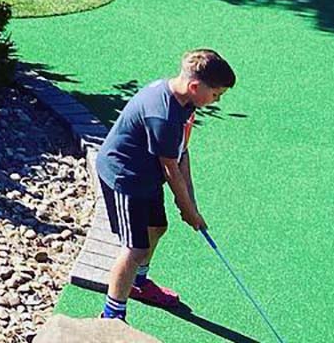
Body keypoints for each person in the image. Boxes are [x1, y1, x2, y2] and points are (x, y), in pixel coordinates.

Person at [94, 49, 236, 323]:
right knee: (134, 249)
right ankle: (112, 316)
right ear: (195, 86)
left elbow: (182, 153)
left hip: (146, 173)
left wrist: (190, 206)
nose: (217, 100)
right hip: (126, 177)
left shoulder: (187, 102)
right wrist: (187, 209)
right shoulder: (164, 115)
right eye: (216, 94)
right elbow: (171, 170)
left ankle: (138, 283)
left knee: (156, 228)